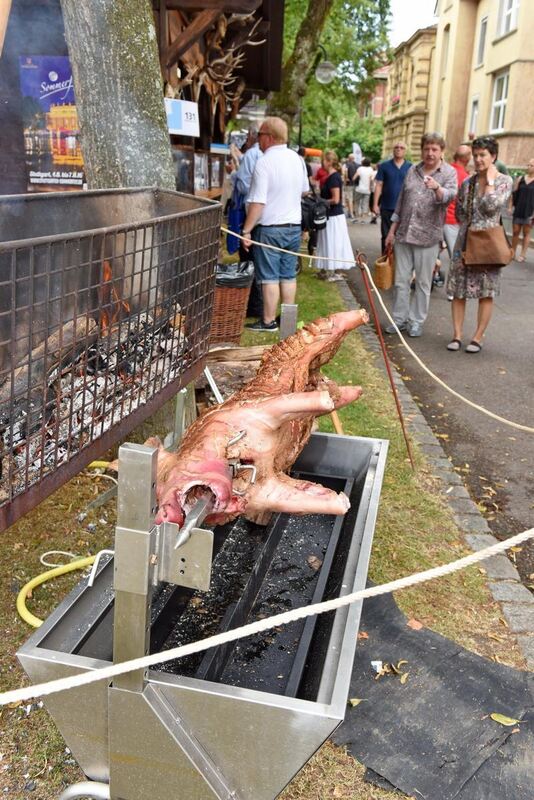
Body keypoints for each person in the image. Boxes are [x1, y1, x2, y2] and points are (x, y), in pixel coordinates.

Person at [384, 132, 457, 338]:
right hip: (404, 234)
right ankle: (399, 319)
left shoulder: (448, 173)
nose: (430, 153)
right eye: (426, 148)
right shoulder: (412, 170)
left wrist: (437, 188)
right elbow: (401, 200)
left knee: (423, 283)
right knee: (400, 281)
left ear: (442, 151)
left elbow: (450, 196)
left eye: (434, 149)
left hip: (428, 237)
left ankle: (416, 321)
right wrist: (391, 231)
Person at [242, 117, 310, 332]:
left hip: (270, 227)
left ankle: (269, 321)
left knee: (269, 277)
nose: (257, 140)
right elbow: (304, 190)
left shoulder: (264, 162)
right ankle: (288, 322)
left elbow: (258, 201)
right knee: (288, 275)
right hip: (293, 226)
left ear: (269, 137)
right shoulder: (297, 160)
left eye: (260, 135)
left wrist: (246, 230)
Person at [445, 136, 512, 354]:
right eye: (476, 155)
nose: (478, 159)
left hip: (489, 244)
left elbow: (492, 208)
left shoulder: (504, 181)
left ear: (493, 156)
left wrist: (490, 182)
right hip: (466, 242)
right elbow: (461, 213)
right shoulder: (468, 183)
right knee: (458, 290)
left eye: (483, 155)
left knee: (486, 292)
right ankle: (456, 335)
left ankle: (478, 337)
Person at [315, 150, 355, 281]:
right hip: (331, 215)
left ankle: (334, 272)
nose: (322, 163)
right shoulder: (332, 176)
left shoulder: (334, 178)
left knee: (333, 243)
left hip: (334, 216)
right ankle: (327, 269)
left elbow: (336, 199)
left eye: (324, 160)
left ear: (329, 162)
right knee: (329, 242)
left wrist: (322, 201)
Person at [442, 144, 472, 296]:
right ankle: (452, 291)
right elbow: (466, 202)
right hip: (453, 221)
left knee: (430, 255)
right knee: (456, 258)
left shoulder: (445, 170)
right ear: (467, 158)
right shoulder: (465, 177)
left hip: (437, 218)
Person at [373, 141, 411, 252]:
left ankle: (398, 262)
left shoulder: (411, 167)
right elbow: (379, 185)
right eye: (396, 147)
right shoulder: (384, 166)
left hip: (404, 208)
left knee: (401, 237)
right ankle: (385, 263)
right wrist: (375, 204)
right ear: (393, 149)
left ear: (405, 151)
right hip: (387, 206)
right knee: (386, 235)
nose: (399, 149)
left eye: (402, 147)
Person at [511, 158, 534, 262]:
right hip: (519, 209)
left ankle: (523, 254)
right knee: (515, 231)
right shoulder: (520, 179)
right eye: (528, 165)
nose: (529, 167)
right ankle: (513, 252)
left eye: (531, 166)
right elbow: (514, 193)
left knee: (526, 233)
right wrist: (510, 206)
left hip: (530, 211)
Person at [344, 153, 358, 220]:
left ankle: (351, 213)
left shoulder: (347, 164)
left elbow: (345, 171)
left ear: (349, 158)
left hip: (349, 184)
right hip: (356, 184)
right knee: (354, 199)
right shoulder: (357, 165)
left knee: (349, 198)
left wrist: (346, 178)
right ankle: (354, 212)